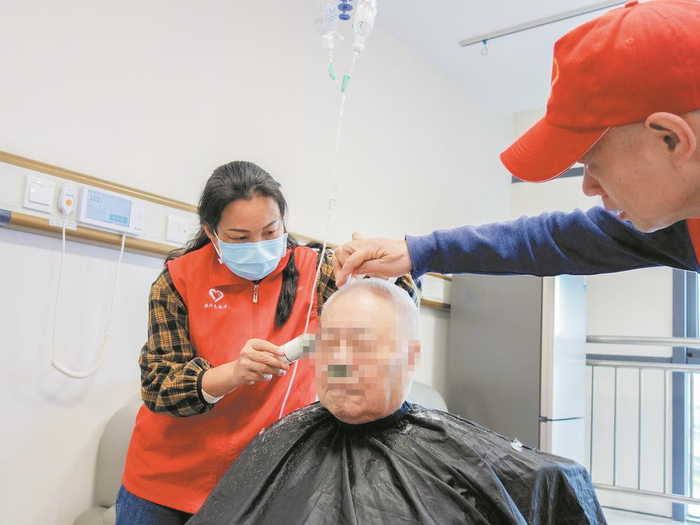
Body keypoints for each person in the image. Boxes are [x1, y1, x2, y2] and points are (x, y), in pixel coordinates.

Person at [116, 161, 417, 524]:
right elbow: (159, 386)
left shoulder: (318, 273)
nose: (258, 246)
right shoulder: (178, 281)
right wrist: (234, 374)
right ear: (211, 232)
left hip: (264, 482)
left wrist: (384, 272)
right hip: (166, 483)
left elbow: (393, 313)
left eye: (271, 231)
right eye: (240, 237)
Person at [331, 0, 700, 285]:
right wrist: (417, 251)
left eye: (593, 165)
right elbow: (553, 240)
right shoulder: (679, 220)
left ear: (671, 139)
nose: (588, 187)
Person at [188, 279, 606, 525]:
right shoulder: (278, 441)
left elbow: (555, 488)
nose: (341, 365)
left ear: (411, 358)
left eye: (363, 347)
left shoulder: (459, 459)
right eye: (331, 346)